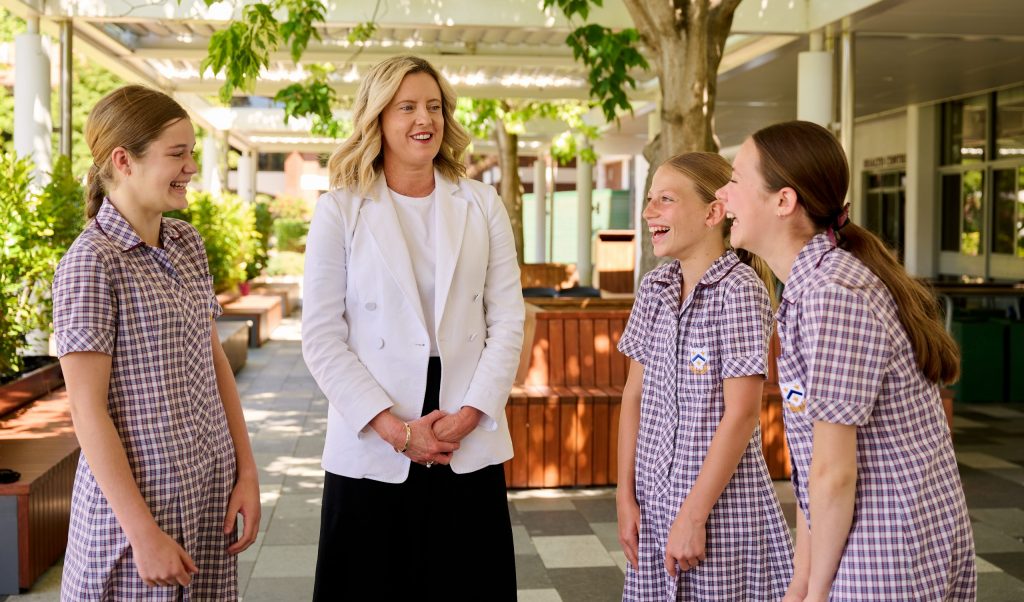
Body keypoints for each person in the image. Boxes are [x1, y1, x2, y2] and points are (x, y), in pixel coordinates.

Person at [716, 120, 976, 601]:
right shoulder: (811, 285)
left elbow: (834, 474)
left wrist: (814, 593)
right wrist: (801, 581)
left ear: (784, 201)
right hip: (870, 546)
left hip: (887, 558)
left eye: (734, 179)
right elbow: (815, 466)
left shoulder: (832, 294)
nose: (723, 194)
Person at [301, 55, 524, 599]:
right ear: (377, 118)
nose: (424, 119)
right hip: (376, 428)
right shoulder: (341, 209)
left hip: (462, 424)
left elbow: (508, 317)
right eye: (406, 107)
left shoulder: (480, 202)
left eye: (434, 106)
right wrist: (397, 431)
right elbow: (322, 336)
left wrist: (472, 413)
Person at [53, 85, 260, 600]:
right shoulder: (90, 263)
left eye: (190, 152)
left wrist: (247, 473)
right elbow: (87, 412)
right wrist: (141, 534)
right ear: (124, 160)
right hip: (138, 519)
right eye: (177, 153)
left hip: (208, 498)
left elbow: (215, 366)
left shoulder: (186, 244)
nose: (191, 167)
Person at [616, 152, 793, 600]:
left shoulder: (739, 291)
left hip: (720, 515)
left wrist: (694, 515)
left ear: (714, 213)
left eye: (666, 200)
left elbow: (742, 415)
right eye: (649, 199)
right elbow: (633, 397)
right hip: (654, 510)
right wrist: (624, 497)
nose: (649, 210)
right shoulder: (654, 289)